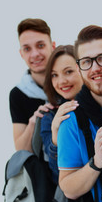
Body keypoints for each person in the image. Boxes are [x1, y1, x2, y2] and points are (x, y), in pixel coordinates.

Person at [57, 25, 102, 202]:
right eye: (86, 61)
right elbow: (68, 188)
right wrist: (97, 162)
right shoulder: (71, 119)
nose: (95, 68)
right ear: (79, 68)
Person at [9, 18, 56, 152]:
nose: (35, 54)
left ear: (52, 46)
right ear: (21, 54)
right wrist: (33, 123)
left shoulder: (69, 83)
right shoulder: (18, 94)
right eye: (27, 49)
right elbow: (21, 151)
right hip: (42, 170)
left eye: (40, 45)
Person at [40, 45, 84, 185]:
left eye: (68, 71)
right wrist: (55, 134)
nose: (61, 81)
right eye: (54, 75)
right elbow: (57, 174)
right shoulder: (49, 116)